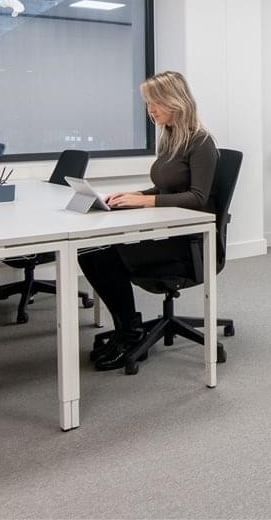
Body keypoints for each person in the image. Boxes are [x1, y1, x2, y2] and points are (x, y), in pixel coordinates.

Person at [79, 71, 217, 371]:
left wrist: (145, 200)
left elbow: (198, 198)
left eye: (155, 102)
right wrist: (134, 194)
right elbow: (166, 188)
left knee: (103, 255)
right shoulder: (170, 137)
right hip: (169, 232)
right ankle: (127, 328)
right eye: (147, 103)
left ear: (175, 101)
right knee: (90, 251)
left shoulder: (201, 142)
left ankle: (130, 334)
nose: (150, 109)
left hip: (191, 244)